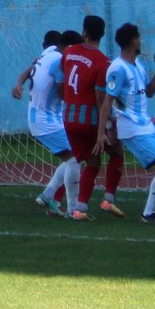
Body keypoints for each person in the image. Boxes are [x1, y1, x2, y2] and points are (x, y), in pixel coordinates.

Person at [94, 23, 155, 223]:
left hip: (147, 125)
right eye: (139, 38)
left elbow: (149, 92)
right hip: (132, 128)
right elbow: (107, 102)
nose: (140, 41)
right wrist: (102, 132)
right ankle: (148, 214)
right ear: (134, 41)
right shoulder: (117, 68)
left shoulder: (138, 66)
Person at [59, 15, 125, 220]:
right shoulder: (104, 62)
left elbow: (63, 80)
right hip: (90, 120)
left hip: (69, 118)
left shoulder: (69, 52)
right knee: (116, 152)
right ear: (103, 35)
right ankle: (108, 200)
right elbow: (99, 98)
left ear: (84, 32)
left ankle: (80, 208)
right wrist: (103, 130)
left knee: (92, 162)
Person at [13, 30, 84, 217]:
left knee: (72, 157)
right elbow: (63, 95)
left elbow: (28, 71)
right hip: (45, 121)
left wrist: (19, 84)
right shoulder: (59, 60)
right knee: (76, 158)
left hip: (43, 117)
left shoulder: (48, 52)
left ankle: (48, 195)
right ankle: (72, 209)